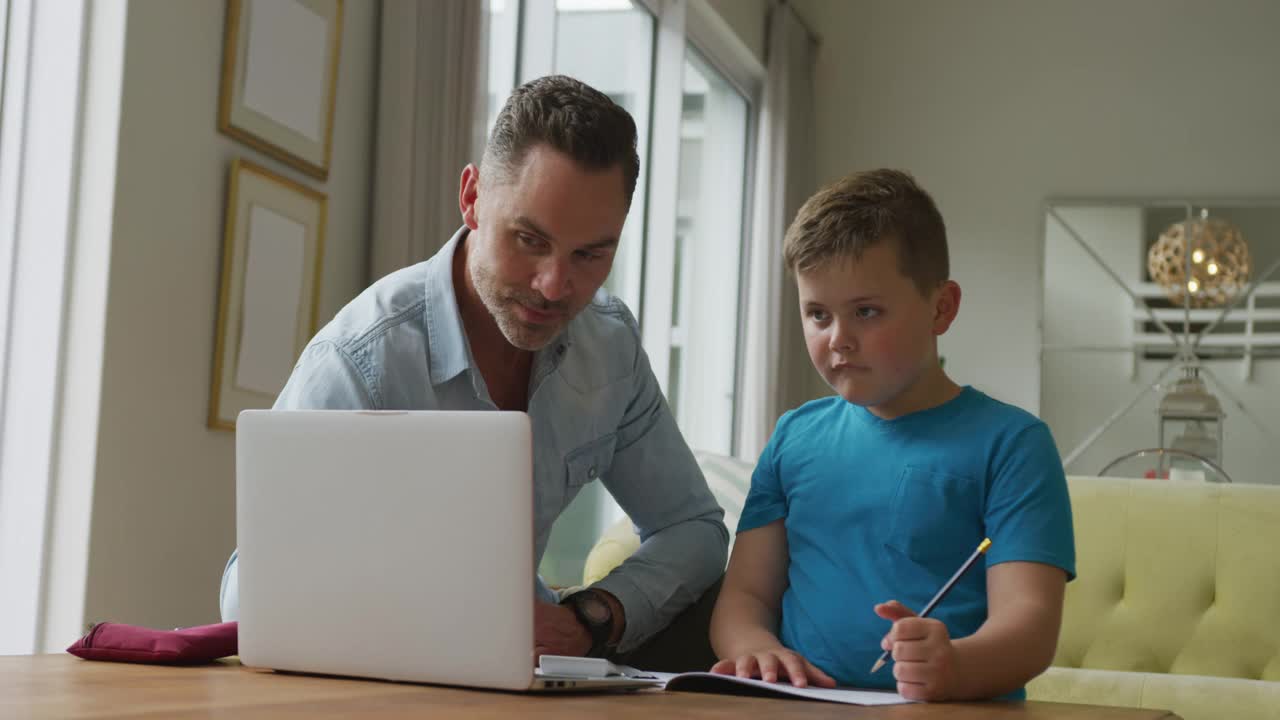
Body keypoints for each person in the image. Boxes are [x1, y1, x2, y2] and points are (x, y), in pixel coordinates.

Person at [219, 75, 727, 670]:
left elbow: (693, 528)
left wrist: (594, 614)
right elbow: (250, 599)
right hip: (380, 684)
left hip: (526, 680)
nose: (555, 285)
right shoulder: (360, 361)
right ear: (472, 197)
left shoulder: (611, 346)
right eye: (529, 239)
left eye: (590, 254)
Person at [707, 169, 1075, 701]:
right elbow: (744, 595)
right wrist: (753, 647)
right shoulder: (793, 437)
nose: (839, 339)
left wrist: (955, 665)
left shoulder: (1013, 445)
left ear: (940, 308)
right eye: (818, 314)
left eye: (866, 312)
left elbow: (1030, 626)